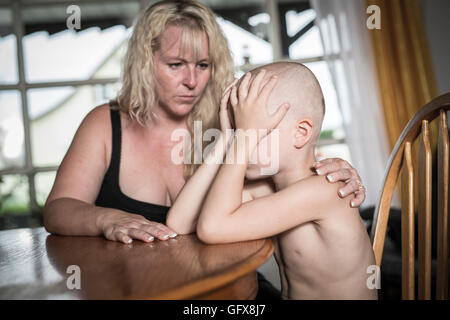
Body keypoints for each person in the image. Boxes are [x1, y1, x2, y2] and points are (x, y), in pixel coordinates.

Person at [43, 0, 366, 299]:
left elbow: (287, 150)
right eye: (175, 64)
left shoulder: (237, 134)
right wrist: (233, 135)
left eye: (203, 65)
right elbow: (179, 222)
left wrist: (241, 133)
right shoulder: (106, 123)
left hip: (229, 288)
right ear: (145, 62)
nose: (192, 81)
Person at [196, 62, 378, 300]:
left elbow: (212, 227)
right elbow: (181, 221)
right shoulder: (268, 189)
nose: (241, 141)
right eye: (237, 130)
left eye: (251, 130)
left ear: (301, 133)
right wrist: (225, 141)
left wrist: (243, 138)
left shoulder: (325, 190)